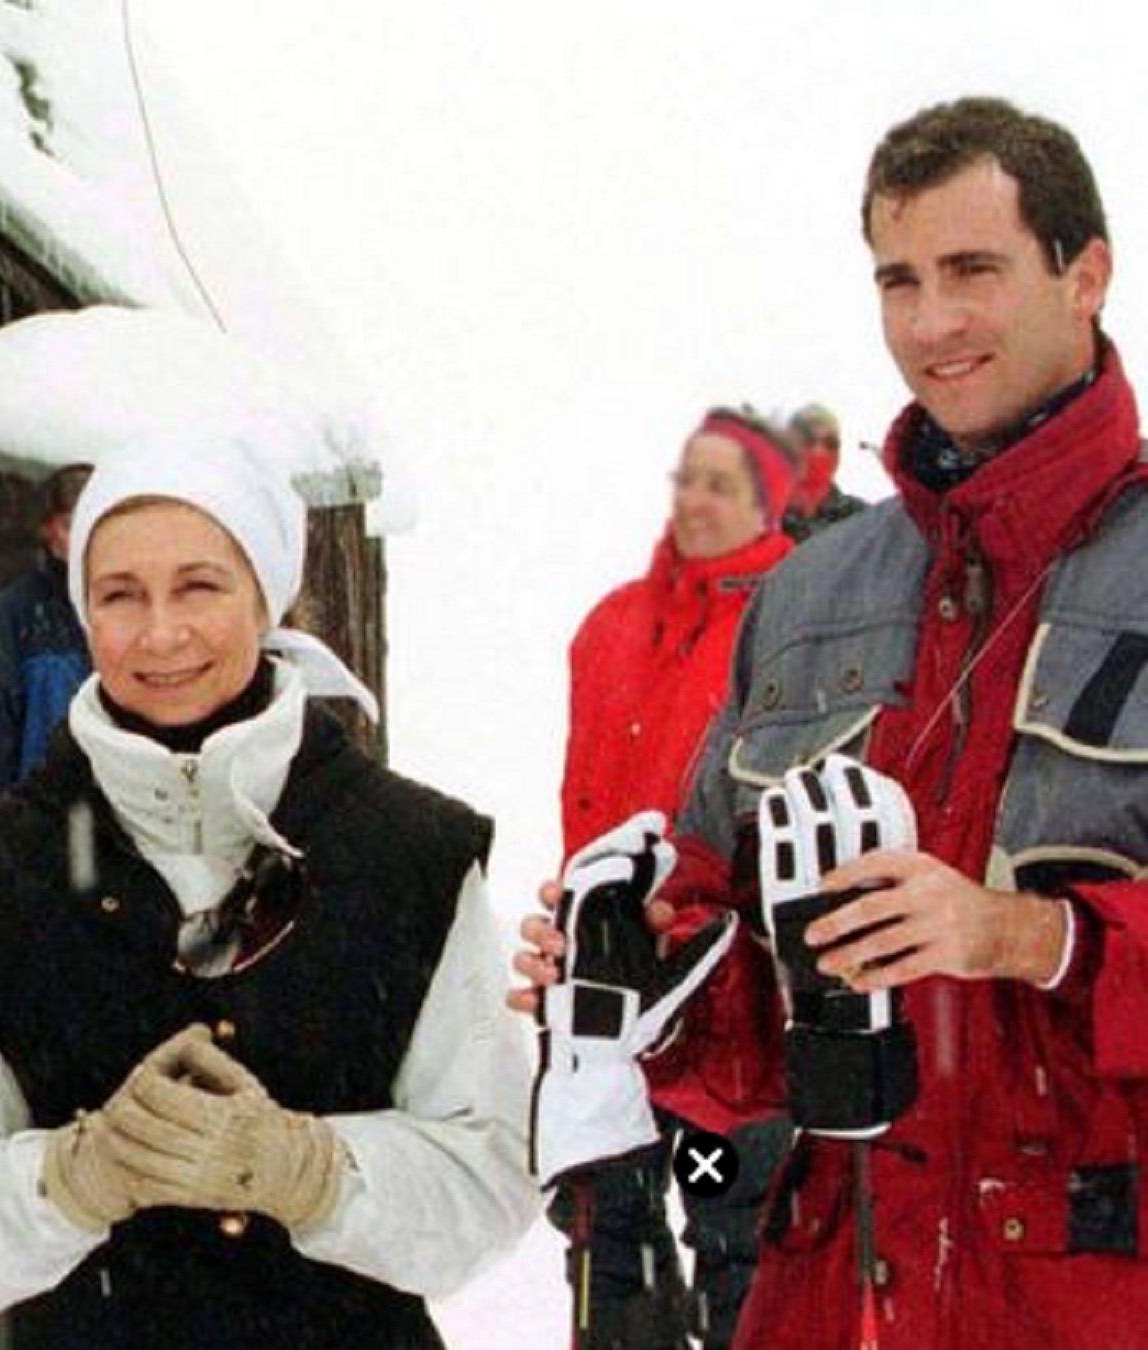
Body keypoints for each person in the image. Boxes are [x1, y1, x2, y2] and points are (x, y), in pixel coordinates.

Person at [514, 96, 1148, 1348]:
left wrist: (1033, 938)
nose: (931, 323)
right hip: (835, 1293)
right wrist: (641, 982)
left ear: (1086, 273)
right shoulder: (808, 598)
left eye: (973, 271)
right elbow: (733, 1026)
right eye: (897, 280)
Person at [0, 437, 538, 1347]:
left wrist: (312, 1171)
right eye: (119, 595)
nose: (159, 633)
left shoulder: (407, 854)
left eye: (198, 586)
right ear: (82, 611)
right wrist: (74, 1176)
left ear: (264, 594)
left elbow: (489, 1177)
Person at [550, 408, 795, 1348]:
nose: (692, 500)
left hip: (726, 995)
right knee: (607, 1234)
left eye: (719, 484)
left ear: (766, 502)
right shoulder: (612, 622)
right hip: (607, 992)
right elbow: (581, 795)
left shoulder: (792, 616)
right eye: (684, 478)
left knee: (736, 1229)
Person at [0, 463, 93, 805]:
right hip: (46, 823)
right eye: (70, 524)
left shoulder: (140, 609)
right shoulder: (10, 617)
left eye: (95, 522)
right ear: (47, 531)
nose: (84, 537)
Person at [780, 402, 866, 544]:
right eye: (808, 441)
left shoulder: (860, 516)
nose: (819, 452)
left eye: (830, 443)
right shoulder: (759, 519)